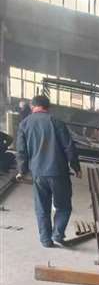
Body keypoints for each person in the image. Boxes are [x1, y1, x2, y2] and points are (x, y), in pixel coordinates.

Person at [15, 93, 81, 248]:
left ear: (32, 106)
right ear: (48, 107)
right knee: (63, 206)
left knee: (42, 207)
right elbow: (69, 147)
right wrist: (76, 166)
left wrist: (21, 170)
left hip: (38, 173)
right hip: (58, 172)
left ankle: (45, 239)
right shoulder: (56, 122)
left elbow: (21, 151)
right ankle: (58, 234)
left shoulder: (24, 124)